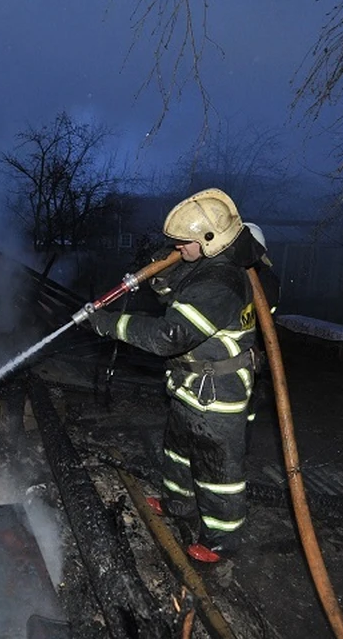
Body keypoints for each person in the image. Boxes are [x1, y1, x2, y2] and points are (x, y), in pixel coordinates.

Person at [86, 188, 276, 563]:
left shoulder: (222, 282)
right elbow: (176, 295)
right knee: (178, 451)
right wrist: (164, 273)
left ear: (209, 239)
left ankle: (221, 539)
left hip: (218, 394)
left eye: (182, 243)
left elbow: (169, 335)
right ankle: (177, 503)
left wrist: (107, 324)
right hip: (191, 387)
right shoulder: (209, 264)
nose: (177, 247)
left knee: (217, 469)